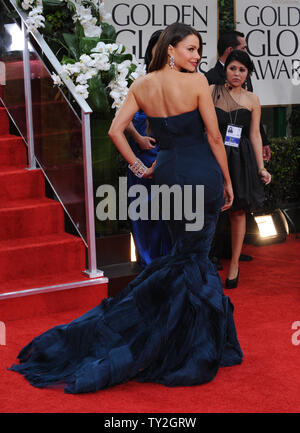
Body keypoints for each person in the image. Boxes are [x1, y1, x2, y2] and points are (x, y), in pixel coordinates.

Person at [9, 23, 243, 394]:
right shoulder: (197, 83)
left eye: (199, 50)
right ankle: (191, 346)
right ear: (171, 50)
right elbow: (214, 136)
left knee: (182, 255)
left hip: (165, 175)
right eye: (191, 49)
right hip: (200, 174)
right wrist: (228, 181)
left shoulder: (142, 85)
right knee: (194, 257)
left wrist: (141, 166)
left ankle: (176, 336)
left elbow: (115, 131)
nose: (197, 56)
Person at [205, 30, 271, 268]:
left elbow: (254, 134)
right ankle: (207, 259)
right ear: (226, 68)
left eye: (242, 70)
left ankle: (233, 265)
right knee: (212, 209)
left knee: (238, 211)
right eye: (233, 68)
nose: (237, 73)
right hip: (214, 154)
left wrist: (261, 168)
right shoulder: (211, 91)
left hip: (241, 158)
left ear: (247, 74)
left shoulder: (252, 99)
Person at [126, 30, 172, 267]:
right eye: (159, 46)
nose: (163, 51)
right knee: (143, 215)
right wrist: (138, 137)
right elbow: (121, 121)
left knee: (168, 217)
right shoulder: (138, 80)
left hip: (168, 158)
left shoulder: (180, 82)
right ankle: (148, 266)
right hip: (140, 156)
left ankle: (166, 269)